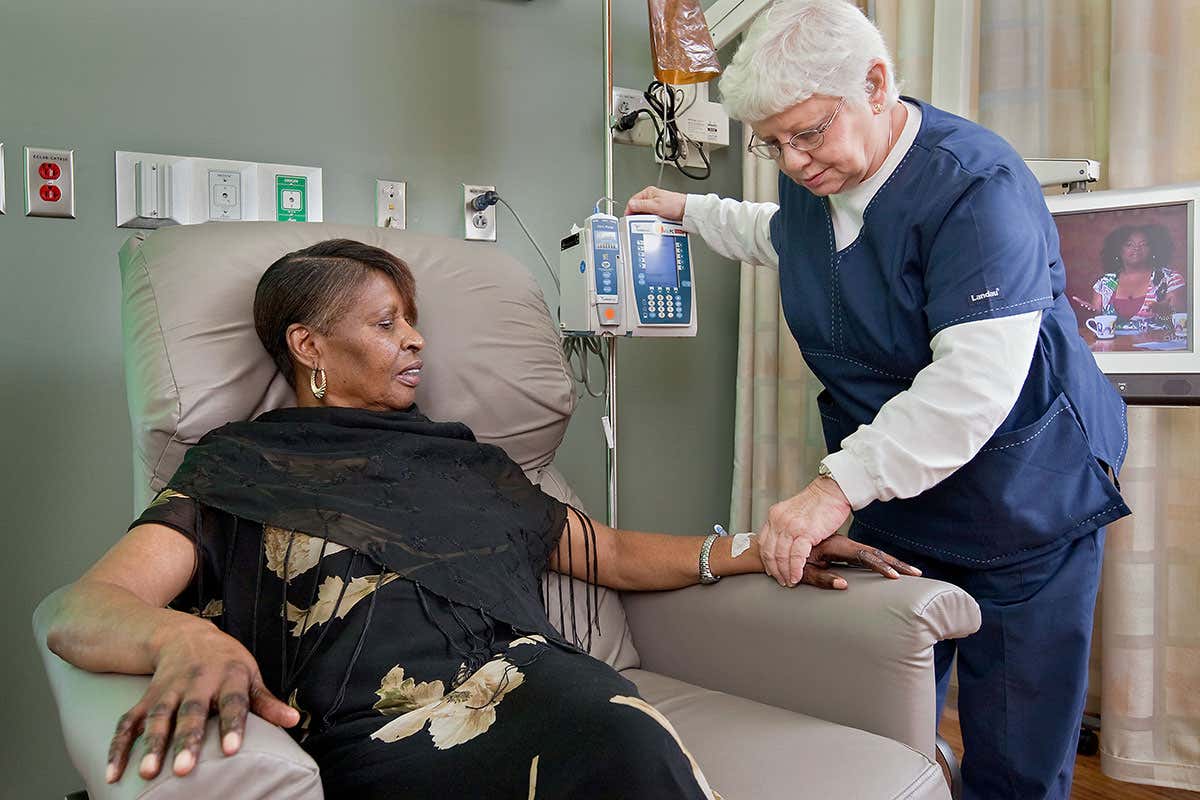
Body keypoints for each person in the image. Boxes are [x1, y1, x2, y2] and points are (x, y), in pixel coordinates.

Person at [46, 238, 919, 799]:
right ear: (308, 346)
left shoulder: (465, 461)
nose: (417, 341)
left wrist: (766, 547)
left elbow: (605, 553)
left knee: (620, 737)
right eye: (388, 324)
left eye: (414, 322)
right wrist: (184, 641)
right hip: (370, 731)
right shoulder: (239, 464)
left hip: (538, 688)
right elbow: (86, 609)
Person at [627, 2, 1129, 798]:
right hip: (902, 498)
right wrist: (690, 211)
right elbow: (781, 234)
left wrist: (832, 489)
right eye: (772, 142)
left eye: (810, 133)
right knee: (876, 729)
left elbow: (971, 387)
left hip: (1024, 493)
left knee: (1016, 757)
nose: (792, 162)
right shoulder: (819, 181)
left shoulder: (977, 187)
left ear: (875, 83)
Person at [1090, 224, 1185, 324]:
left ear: (1153, 249)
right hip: (1114, 340)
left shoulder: (1170, 279)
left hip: (1157, 339)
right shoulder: (1105, 282)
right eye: (1129, 244)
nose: (1136, 248)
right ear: (1118, 250)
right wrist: (1091, 312)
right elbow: (1098, 317)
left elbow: (1179, 318)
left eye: (1143, 244)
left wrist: (1164, 311)